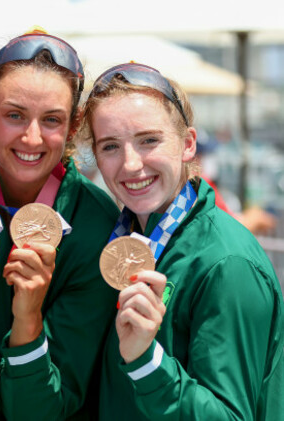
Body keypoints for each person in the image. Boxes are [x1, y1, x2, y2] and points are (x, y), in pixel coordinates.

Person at [78, 62, 284, 420]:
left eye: (148, 140)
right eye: (110, 146)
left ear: (188, 144)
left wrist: (146, 362)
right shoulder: (125, 238)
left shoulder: (227, 263)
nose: (130, 164)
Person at [0, 29, 120, 419]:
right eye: (14, 115)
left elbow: (50, 407)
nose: (32, 137)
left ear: (75, 124)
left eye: (51, 120)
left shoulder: (99, 228)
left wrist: (29, 318)